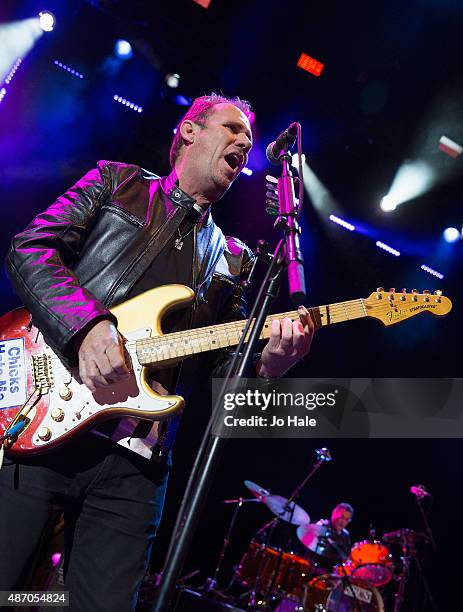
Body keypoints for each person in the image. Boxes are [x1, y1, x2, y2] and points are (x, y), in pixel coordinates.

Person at [0, 93, 315, 610]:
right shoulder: (117, 182)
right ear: (190, 131)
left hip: (137, 463)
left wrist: (272, 367)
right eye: (232, 128)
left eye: (250, 140)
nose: (244, 142)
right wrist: (87, 327)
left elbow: (222, 382)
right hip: (43, 414)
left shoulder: (232, 260)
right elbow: (30, 247)